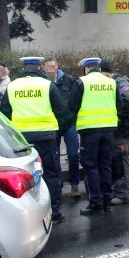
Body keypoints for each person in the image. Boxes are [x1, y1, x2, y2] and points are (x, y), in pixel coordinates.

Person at [0, 56, 69, 224]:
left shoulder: (12, 86)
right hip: (46, 136)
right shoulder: (47, 85)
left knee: (26, 176)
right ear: (39, 67)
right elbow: (62, 111)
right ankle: (54, 212)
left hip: (22, 139)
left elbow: (5, 114)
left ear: (23, 67)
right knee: (51, 174)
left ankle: (29, 214)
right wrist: (57, 131)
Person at [69, 57, 122, 215]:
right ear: (99, 68)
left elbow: (72, 105)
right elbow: (119, 104)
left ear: (86, 69)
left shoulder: (81, 82)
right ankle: (107, 202)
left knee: (91, 167)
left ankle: (96, 203)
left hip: (89, 130)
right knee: (105, 166)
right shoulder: (112, 82)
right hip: (108, 130)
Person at [99, 59, 129, 206]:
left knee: (121, 160)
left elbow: (128, 100)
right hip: (118, 127)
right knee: (116, 159)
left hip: (122, 128)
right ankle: (117, 192)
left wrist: (117, 116)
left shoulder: (120, 81)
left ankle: (123, 194)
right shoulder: (115, 82)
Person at [42, 56, 81, 199]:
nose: (52, 69)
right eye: (49, 66)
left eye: (54, 66)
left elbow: (77, 98)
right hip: (53, 124)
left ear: (58, 65)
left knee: (73, 154)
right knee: (55, 156)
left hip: (69, 122)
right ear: (43, 68)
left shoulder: (69, 80)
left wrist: (72, 114)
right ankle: (58, 185)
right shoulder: (43, 83)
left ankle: (75, 184)